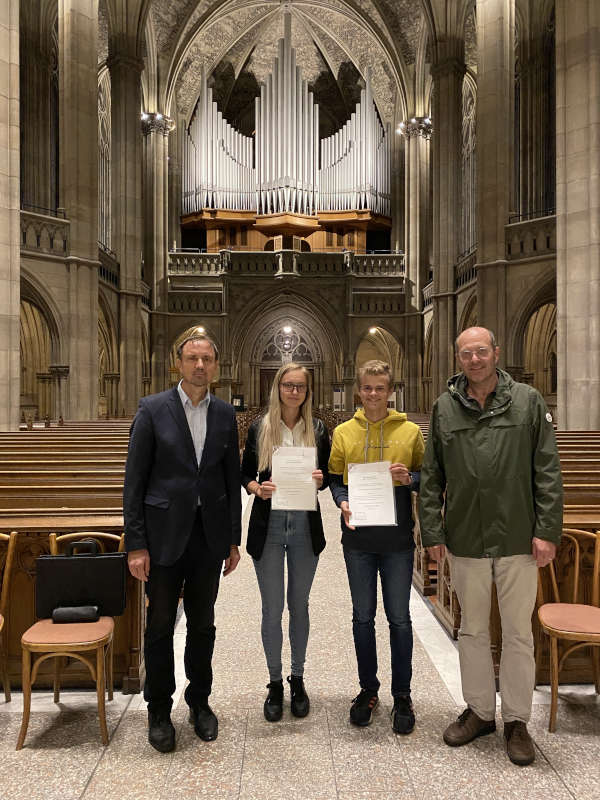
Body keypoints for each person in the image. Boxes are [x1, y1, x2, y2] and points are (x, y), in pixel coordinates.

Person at [419, 326, 563, 766]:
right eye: (466, 353)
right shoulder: (445, 407)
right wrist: (432, 533)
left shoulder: (528, 402)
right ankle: (481, 711)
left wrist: (547, 530)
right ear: (457, 359)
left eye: (481, 351)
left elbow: (547, 469)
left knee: (519, 633)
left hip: (518, 536)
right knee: (472, 630)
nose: (475, 359)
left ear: (496, 353)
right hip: (465, 536)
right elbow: (432, 477)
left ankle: (517, 720)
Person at [123, 334, 242, 753]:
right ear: (178, 363)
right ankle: (159, 708)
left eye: (207, 359)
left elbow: (230, 482)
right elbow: (134, 481)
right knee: (159, 628)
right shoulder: (152, 409)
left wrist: (232, 540)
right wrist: (136, 544)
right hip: (162, 538)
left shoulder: (226, 415)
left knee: (202, 625)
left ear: (215, 365)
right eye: (192, 358)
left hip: (207, 538)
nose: (199, 366)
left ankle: (199, 701)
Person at [328, 359, 425, 734]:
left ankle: (403, 693)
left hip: (397, 539)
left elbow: (426, 476)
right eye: (367, 388)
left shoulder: (411, 432)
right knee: (362, 617)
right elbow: (336, 478)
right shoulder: (344, 433)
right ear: (359, 390)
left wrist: (410, 478)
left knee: (399, 618)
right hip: (358, 540)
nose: (373, 394)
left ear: (390, 390)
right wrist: (341, 500)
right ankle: (368, 689)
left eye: (380, 388)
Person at [241, 363, 330, 721]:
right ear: (278, 388)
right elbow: (245, 473)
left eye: (300, 387)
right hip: (271, 525)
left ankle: (298, 677)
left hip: (305, 525)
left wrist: (321, 479)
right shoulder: (261, 428)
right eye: (288, 385)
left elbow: (326, 478)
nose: (294, 391)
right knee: (271, 608)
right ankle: (275, 682)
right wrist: (256, 488)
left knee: (300, 605)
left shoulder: (319, 429)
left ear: (308, 392)